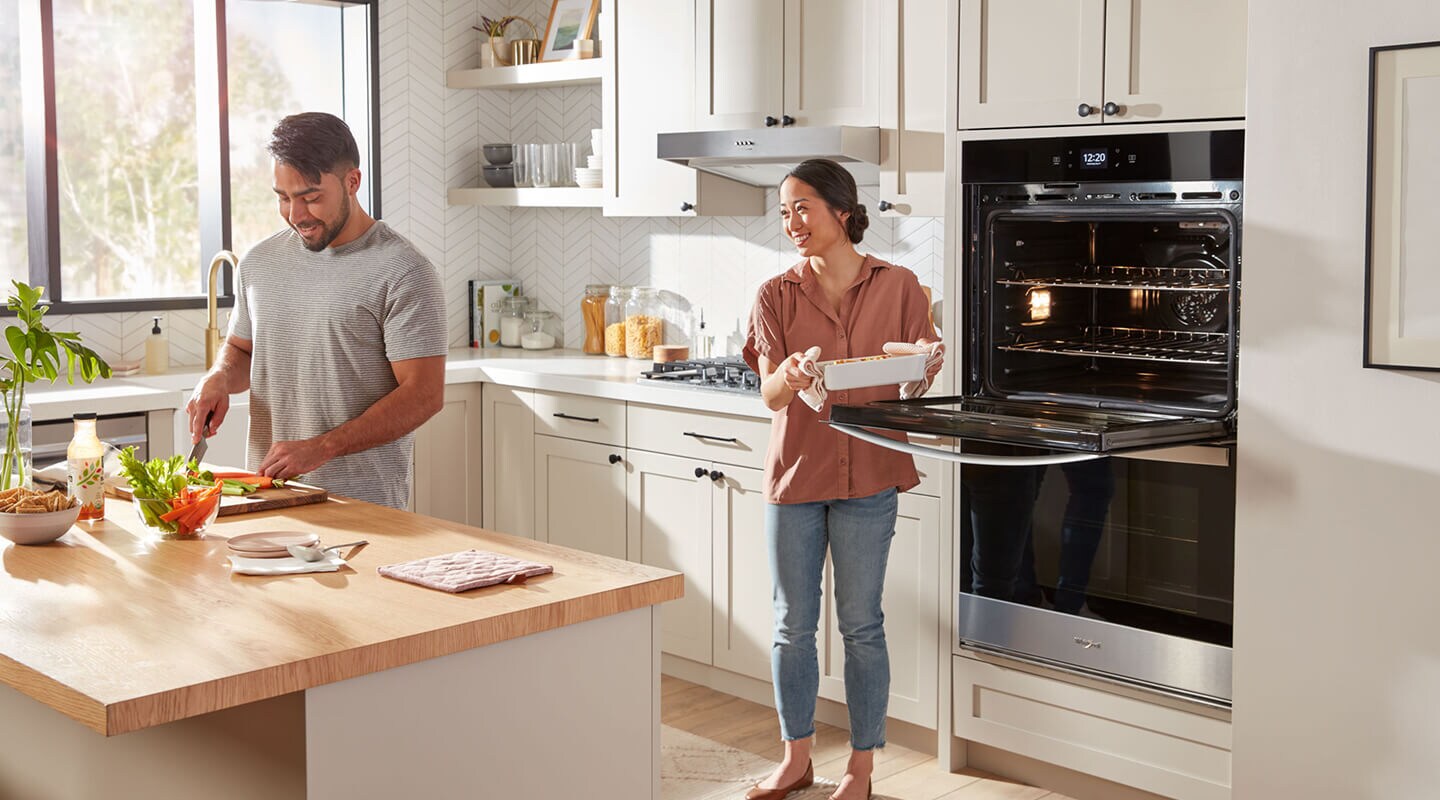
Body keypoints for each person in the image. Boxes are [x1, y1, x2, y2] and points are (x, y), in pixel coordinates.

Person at [742, 159, 942, 800]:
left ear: (842, 211)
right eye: (784, 211)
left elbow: (914, 375)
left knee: (861, 624)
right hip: (796, 475)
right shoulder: (775, 294)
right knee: (791, 625)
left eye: (803, 207)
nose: (792, 222)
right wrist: (794, 376)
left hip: (873, 471)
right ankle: (795, 758)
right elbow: (771, 393)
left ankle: (861, 767)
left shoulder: (901, 284)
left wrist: (928, 363)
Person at [185, 112, 446, 509]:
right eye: (283, 198)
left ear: (352, 182)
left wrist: (323, 447)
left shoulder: (404, 270)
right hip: (268, 498)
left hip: (365, 507)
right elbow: (242, 350)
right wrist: (219, 377)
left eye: (310, 197)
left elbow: (424, 395)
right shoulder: (259, 262)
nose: (296, 215)